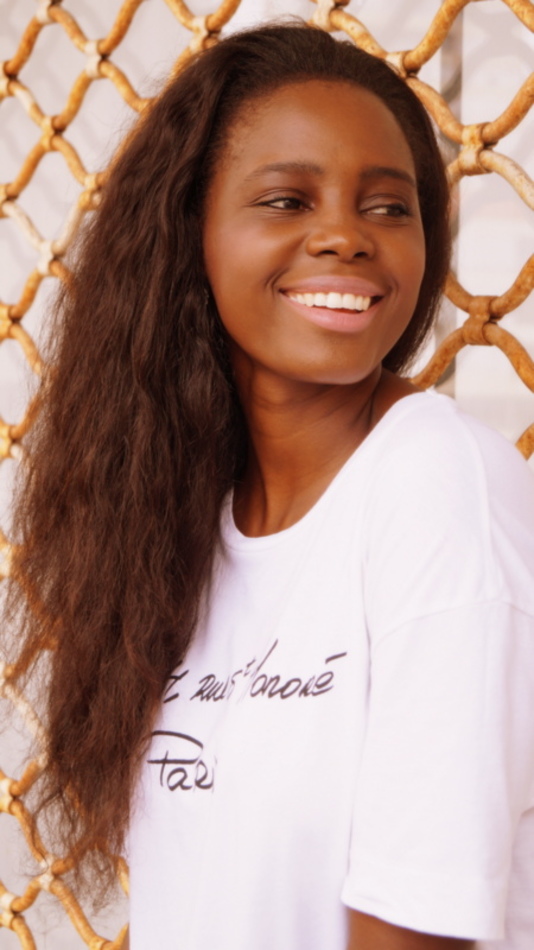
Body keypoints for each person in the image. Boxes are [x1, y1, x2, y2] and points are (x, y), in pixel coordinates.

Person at [4, 21, 534, 950]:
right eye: (288, 199)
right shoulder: (178, 517)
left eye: (389, 207)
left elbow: (420, 928)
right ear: (192, 235)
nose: (345, 237)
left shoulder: (437, 484)